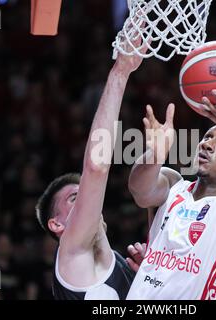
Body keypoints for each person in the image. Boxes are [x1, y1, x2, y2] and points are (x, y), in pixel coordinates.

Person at [126, 89, 216, 300]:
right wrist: (155, 155)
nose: (207, 145)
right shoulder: (173, 184)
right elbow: (139, 191)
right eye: (208, 137)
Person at [36, 39, 147, 300]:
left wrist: (150, 286)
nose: (88, 198)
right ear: (57, 224)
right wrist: (120, 71)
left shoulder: (125, 267)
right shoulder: (72, 252)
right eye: (75, 197)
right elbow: (96, 166)